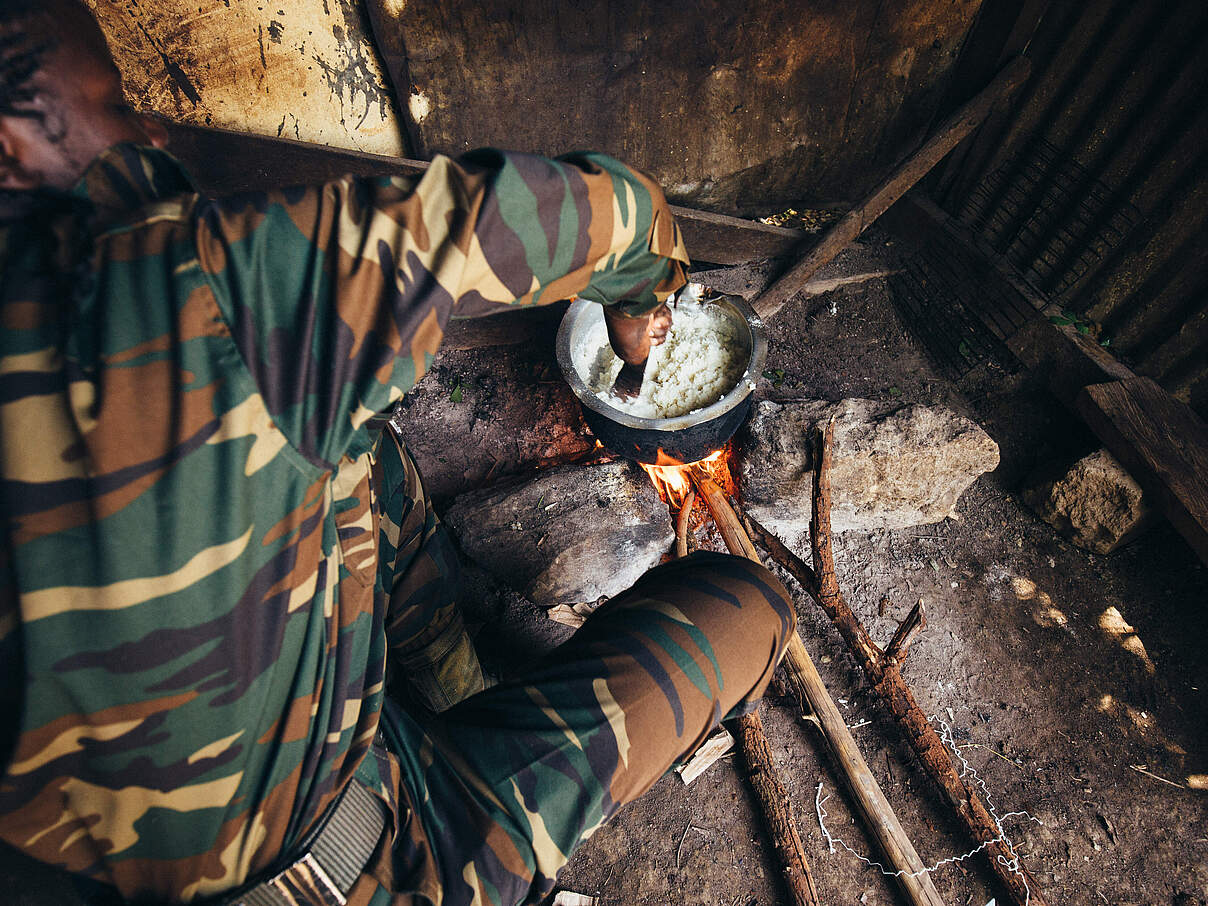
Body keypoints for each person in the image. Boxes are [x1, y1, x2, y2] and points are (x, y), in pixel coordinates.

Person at [0, 2, 796, 904]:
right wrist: (645, 305)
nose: (146, 125)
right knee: (749, 605)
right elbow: (617, 211)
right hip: (379, 863)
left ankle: (453, 682)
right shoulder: (190, 285)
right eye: (111, 102)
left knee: (358, 456)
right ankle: (460, 742)